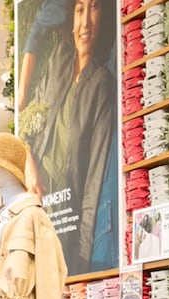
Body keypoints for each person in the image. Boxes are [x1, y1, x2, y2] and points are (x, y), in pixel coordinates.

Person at [25, 0, 118, 272]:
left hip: (64, 215)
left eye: (94, 8)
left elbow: (94, 177)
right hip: (38, 202)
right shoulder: (57, 64)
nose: (85, 22)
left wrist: (81, 257)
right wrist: (28, 161)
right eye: (79, 10)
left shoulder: (101, 84)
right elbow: (27, 128)